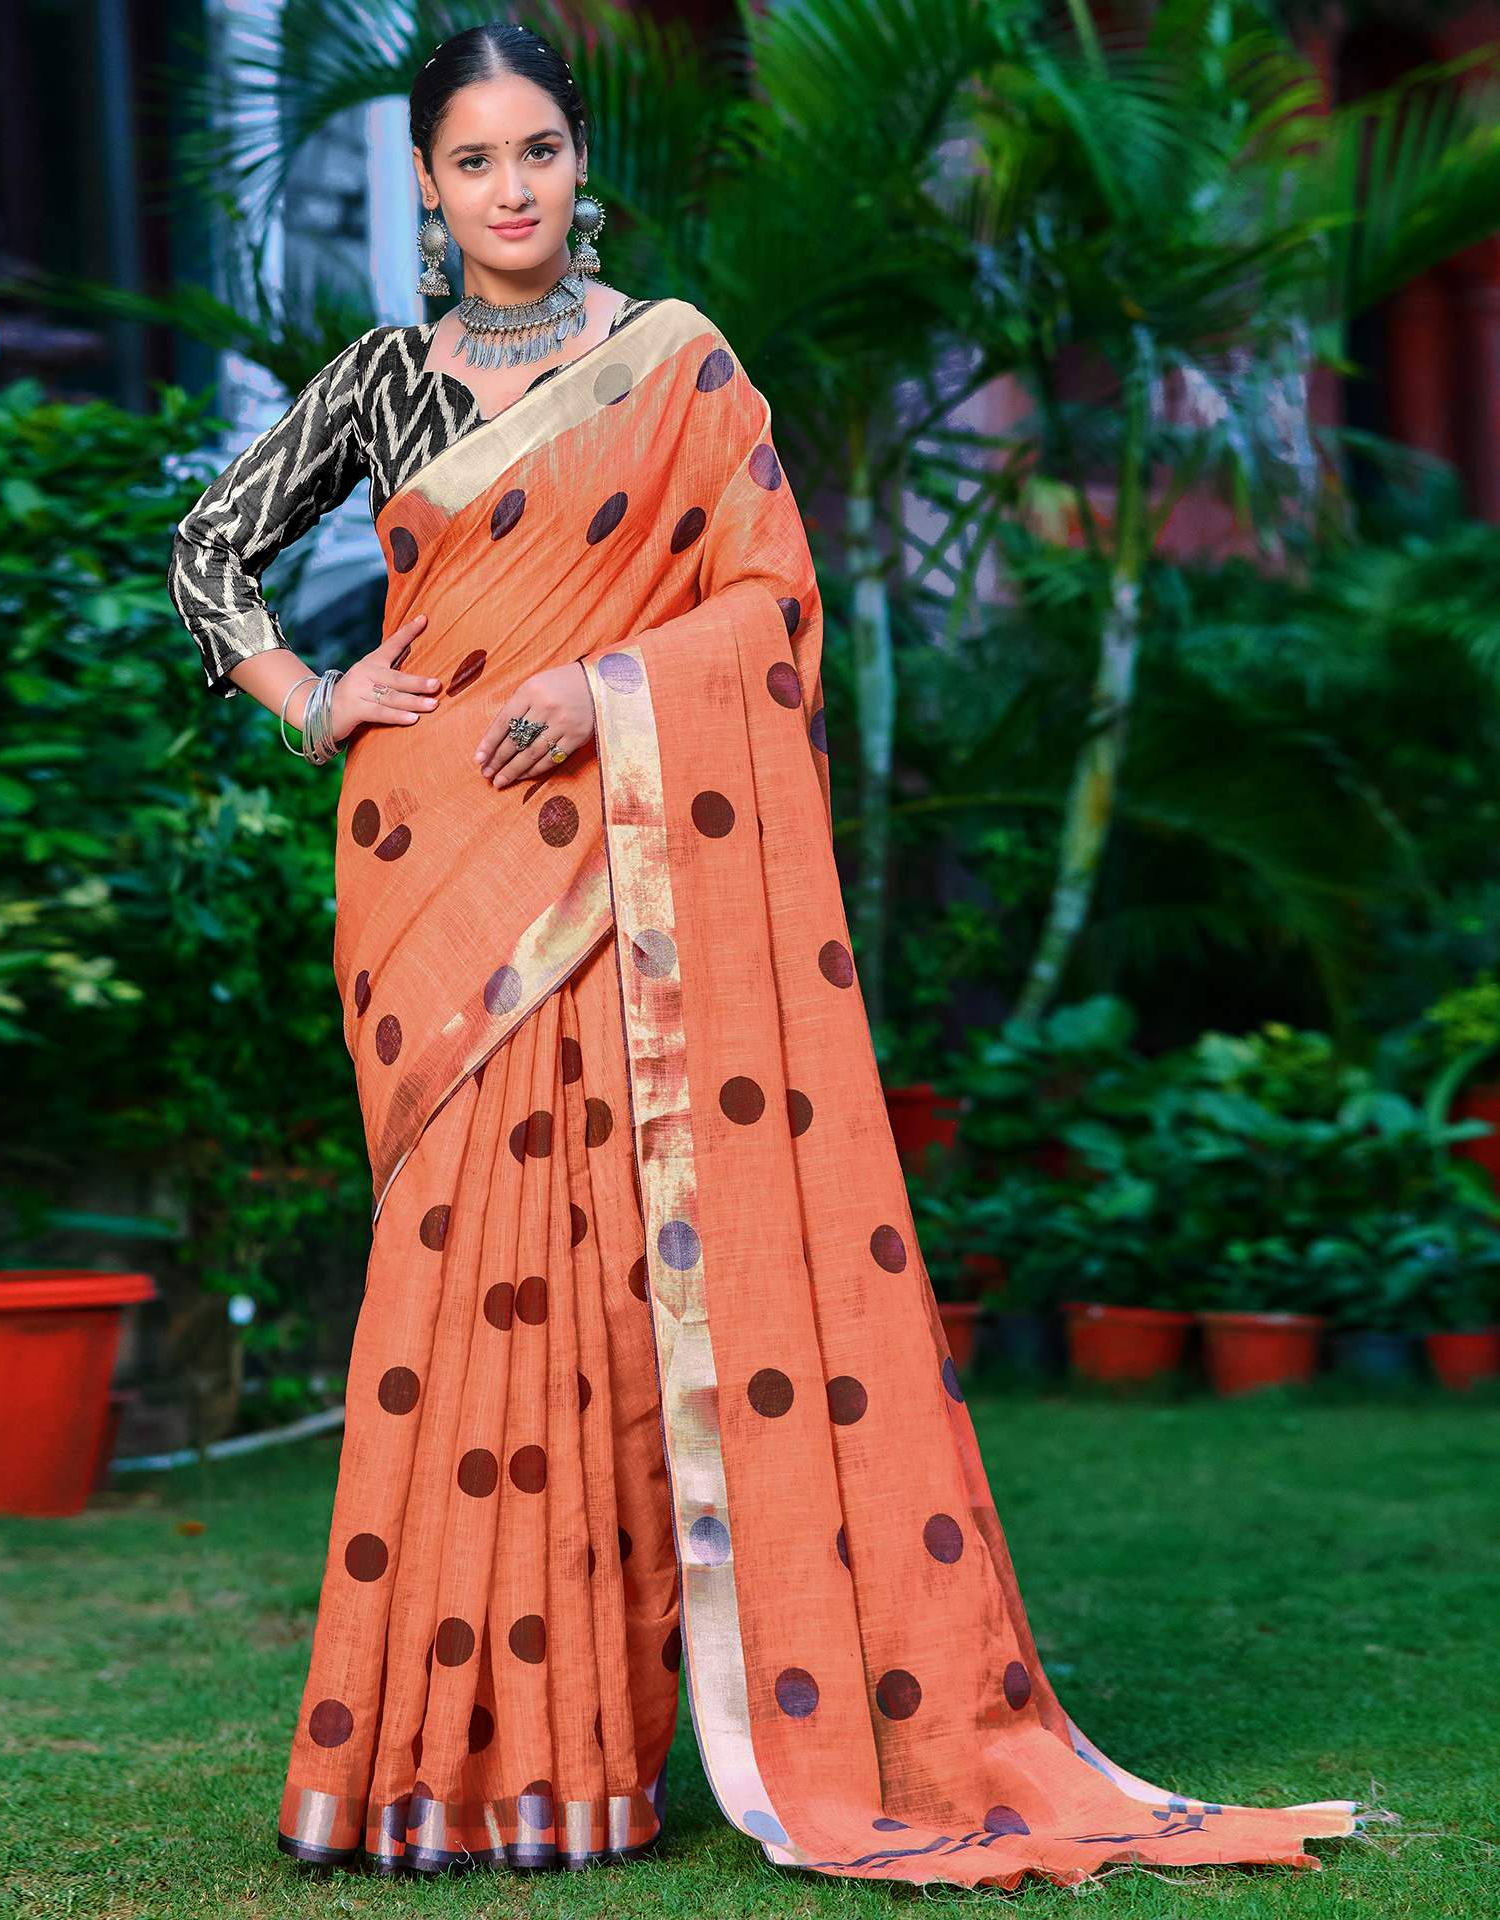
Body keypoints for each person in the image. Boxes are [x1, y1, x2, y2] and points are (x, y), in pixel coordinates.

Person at [166, 19, 1387, 1893]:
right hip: (441, 878)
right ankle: (448, 1764)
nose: (513, 188)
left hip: (625, 867)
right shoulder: (386, 384)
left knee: (617, 1303)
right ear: (425, 185)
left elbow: (764, 603)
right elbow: (209, 549)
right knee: (455, 1301)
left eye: (542, 151)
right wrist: (316, 700)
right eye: (475, 160)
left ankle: (590, 1764)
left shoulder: (672, 365)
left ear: (581, 165)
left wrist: (601, 683)